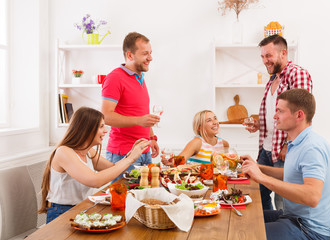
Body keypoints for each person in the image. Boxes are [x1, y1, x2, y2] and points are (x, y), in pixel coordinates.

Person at [241, 89, 330, 240]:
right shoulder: (297, 142)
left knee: (244, 235)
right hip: (292, 217)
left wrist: (262, 178)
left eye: (280, 111)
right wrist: (257, 167)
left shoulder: (311, 147)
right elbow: (290, 173)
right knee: (242, 218)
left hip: (309, 230)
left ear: (299, 115)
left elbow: (312, 196)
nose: (274, 116)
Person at [38, 107, 149, 223]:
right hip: (61, 212)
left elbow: (113, 168)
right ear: (87, 129)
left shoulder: (88, 151)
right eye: (101, 126)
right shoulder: (64, 152)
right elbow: (95, 181)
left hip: (81, 208)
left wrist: (130, 155)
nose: (106, 130)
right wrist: (130, 159)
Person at [246, 34, 313, 210]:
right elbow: (279, 113)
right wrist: (260, 124)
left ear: (283, 53)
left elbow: (303, 113)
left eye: (268, 55)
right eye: (262, 56)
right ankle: (266, 232)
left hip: (284, 150)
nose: (264, 61)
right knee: (259, 195)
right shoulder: (273, 79)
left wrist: (288, 144)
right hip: (266, 149)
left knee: (282, 202)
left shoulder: (296, 74)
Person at [101, 32, 159, 182]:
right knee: (125, 202)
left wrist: (151, 138)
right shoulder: (115, 78)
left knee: (145, 199)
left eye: (150, 53)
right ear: (130, 55)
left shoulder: (139, 77)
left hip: (144, 150)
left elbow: (142, 114)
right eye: (145, 53)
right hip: (124, 154)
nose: (150, 58)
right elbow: (106, 116)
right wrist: (139, 121)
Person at [161, 110, 229, 166]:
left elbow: (227, 166)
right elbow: (178, 161)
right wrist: (170, 162)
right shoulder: (197, 142)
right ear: (199, 127)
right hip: (198, 181)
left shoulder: (224, 144)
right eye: (209, 120)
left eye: (215, 118)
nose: (215, 122)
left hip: (217, 180)